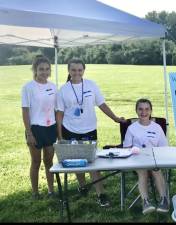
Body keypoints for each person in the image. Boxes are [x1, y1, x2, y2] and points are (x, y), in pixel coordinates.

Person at [56, 58, 125, 207]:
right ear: (68, 71)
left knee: (92, 162)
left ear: (83, 70)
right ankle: (82, 186)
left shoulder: (91, 85)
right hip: (70, 130)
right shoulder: (63, 90)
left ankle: (101, 194)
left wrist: (115, 118)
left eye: (79, 70)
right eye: (73, 70)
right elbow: (60, 114)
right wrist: (60, 135)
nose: (76, 72)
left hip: (89, 129)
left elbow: (101, 104)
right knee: (76, 161)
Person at [123, 98, 169, 214]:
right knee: (142, 171)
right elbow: (126, 149)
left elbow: (164, 148)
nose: (144, 112)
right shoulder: (131, 128)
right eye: (140, 109)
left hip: (155, 159)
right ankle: (146, 202)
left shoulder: (157, 127)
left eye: (147, 109)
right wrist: (134, 151)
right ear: (136, 111)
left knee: (156, 170)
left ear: (151, 111)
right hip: (138, 160)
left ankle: (164, 200)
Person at [21, 55, 57, 199]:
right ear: (35, 70)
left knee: (49, 161)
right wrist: (29, 133)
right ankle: (35, 193)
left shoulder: (53, 86)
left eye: (47, 69)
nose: (44, 72)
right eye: (41, 69)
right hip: (35, 129)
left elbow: (56, 108)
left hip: (50, 128)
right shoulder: (28, 87)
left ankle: (51, 191)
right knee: (35, 162)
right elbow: (25, 111)